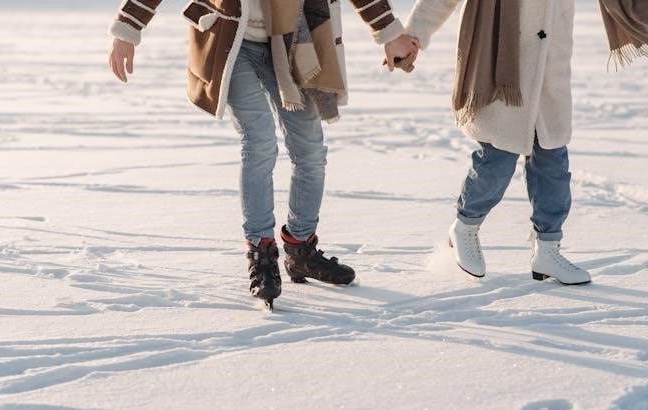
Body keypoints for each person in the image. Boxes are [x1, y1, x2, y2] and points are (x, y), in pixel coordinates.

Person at [107, 0, 419, 308]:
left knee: (310, 149)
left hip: (289, 39)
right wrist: (127, 30)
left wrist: (389, 33)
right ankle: (261, 251)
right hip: (233, 39)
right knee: (260, 142)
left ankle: (301, 249)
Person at [402, 0, 648, 285]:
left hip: (550, 67)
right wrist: (413, 35)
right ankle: (465, 228)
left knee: (553, 162)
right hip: (500, 62)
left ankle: (547, 249)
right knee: (498, 158)